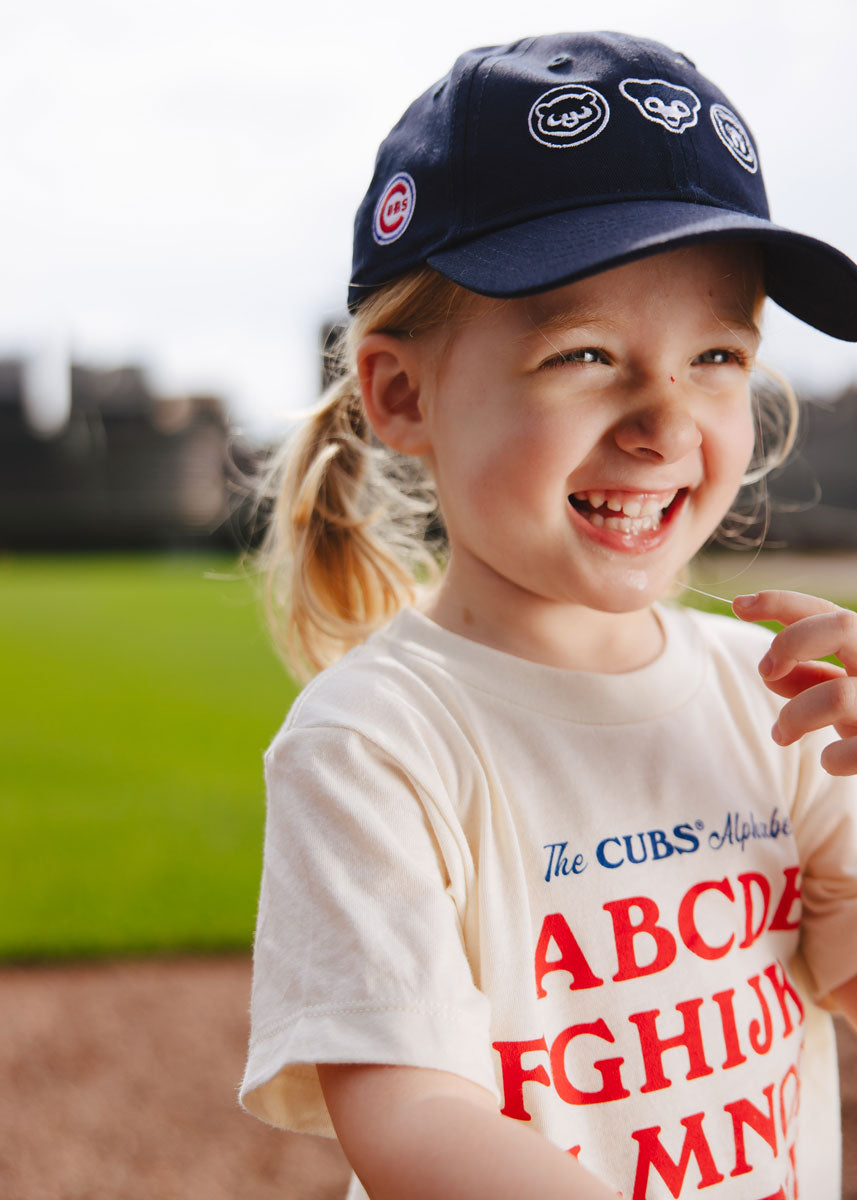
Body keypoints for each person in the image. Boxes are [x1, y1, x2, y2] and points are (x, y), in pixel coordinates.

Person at [240, 32, 857, 1200]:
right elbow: (413, 1118)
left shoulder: (775, 699)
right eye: (583, 354)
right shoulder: (372, 745)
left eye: (714, 354)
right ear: (402, 395)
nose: (664, 426)